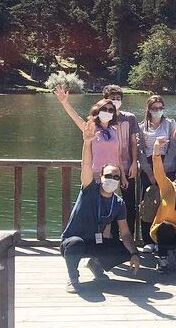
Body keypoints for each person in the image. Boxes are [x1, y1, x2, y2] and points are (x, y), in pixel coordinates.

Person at [61, 119, 140, 293]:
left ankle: (95, 264)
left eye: (116, 177)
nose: (112, 179)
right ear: (101, 177)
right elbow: (86, 165)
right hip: (74, 242)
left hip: (96, 242)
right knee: (75, 244)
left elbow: (125, 233)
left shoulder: (118, 203)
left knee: (124, 250)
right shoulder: (89, 190)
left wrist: (134, 253)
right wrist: (87, 142)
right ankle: (73, 278)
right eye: (108, 176)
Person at [54, 85, 140, 237]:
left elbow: (118, 156)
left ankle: (103, 245)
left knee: (107, 213)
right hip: (94, 176)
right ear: (97, 111)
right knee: (91, 210)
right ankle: (86, 241)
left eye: (110, 110)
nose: (107, 112)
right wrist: (65, 103)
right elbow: (76, 118)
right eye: (104, 109)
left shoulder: (114, 130)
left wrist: (123, 177)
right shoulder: (91, 128)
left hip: (112, 177)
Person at [137, 95, 176, 252]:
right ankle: (148, 239)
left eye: (161, 108)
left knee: (167, 203)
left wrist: (163, 170)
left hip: (167, 166)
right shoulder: (142, 127)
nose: (158, 111)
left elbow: (174, 146)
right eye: (154, 108)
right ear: (148, 109)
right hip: (148, 167)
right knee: (147, 203)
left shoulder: (170, 124)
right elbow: (140, 150)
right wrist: (150, 172)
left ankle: (165, 238)